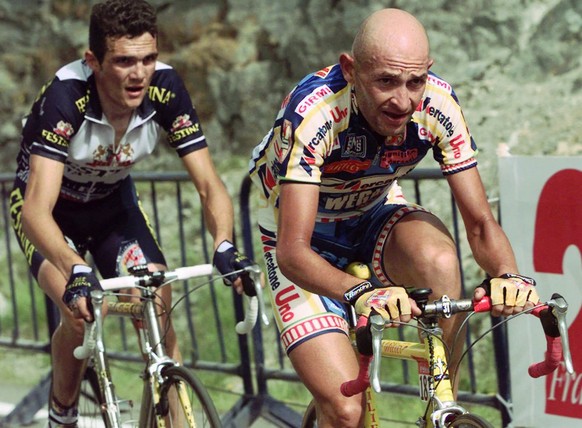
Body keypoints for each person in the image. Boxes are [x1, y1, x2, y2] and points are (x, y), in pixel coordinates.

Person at [249, 8, 539, 427]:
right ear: (350, 70)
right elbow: (293, 251)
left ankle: (440, 404)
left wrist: (508, 275)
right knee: (346, 411)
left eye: (414, 82)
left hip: (373, 212)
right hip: (301, 238)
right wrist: (361, 292)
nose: (402, 100)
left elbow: (478, 224)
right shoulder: (315, 113)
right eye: (385, 81)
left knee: (439, 261)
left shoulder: (438, 103)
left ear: (428, 73)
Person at [9, 1, 253, 426]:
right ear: (94, 61)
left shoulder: (166, 89)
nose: (139, 73)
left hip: (111, 209)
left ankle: (173, 412)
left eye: (148, 58)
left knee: (157, 300)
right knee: (81, 309)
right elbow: (36, 209)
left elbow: (209, 184)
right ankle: (62, 410)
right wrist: (75, 267)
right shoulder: (66, 97)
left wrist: (224, 243)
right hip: (50, 216)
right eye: (123, 61)